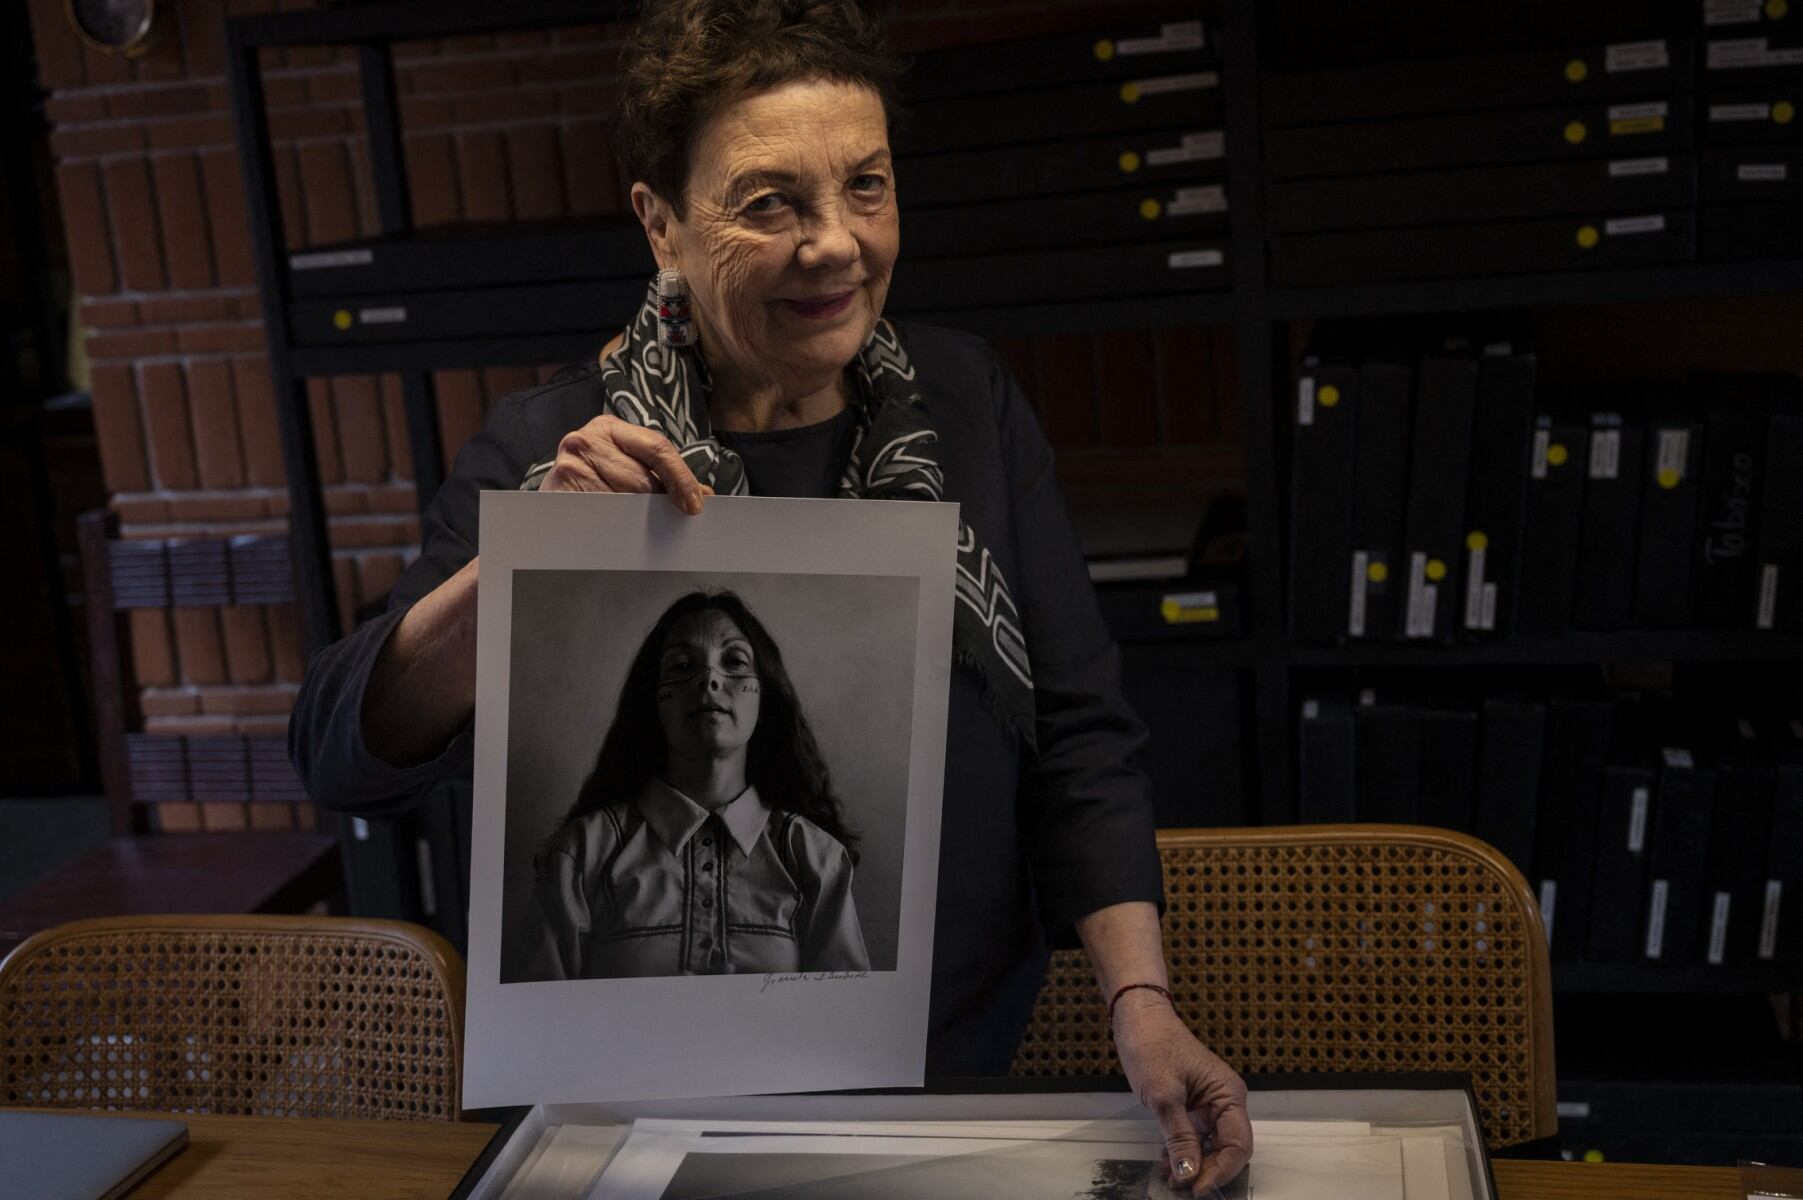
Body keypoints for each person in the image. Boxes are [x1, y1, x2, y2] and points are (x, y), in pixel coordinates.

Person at [290, 0, 1252, 1190]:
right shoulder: (552, 446)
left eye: (866, 186)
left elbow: (1082, 735)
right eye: (770, 202)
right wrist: (526, 565)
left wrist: (1141, 1005)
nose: (837, 244)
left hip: (946, 1080)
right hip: (649, 1117)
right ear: (660, 225)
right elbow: (340, 748)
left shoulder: (964, 405)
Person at [509, 589, 870, 980]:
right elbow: (541, 1025)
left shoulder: (815, 860)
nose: (709, 679)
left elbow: (841, 1027)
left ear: (765, 696)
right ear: (653, 701)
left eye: (734, 661)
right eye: (682, 665)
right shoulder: (580, 856)